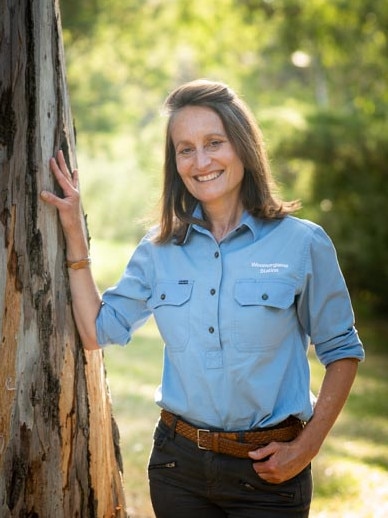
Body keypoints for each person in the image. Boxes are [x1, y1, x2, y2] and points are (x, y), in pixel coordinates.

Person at [41, 79, 365, 518]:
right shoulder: (158, 250)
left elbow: (343, 352)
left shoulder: (302, 243)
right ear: (174, 162)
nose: (201, 161)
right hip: (179, 469)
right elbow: (98, 331)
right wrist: (75, 236)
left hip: (269, 472)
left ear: (244, 148)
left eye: (215, 143)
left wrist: (306, 448)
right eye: (185, 149)